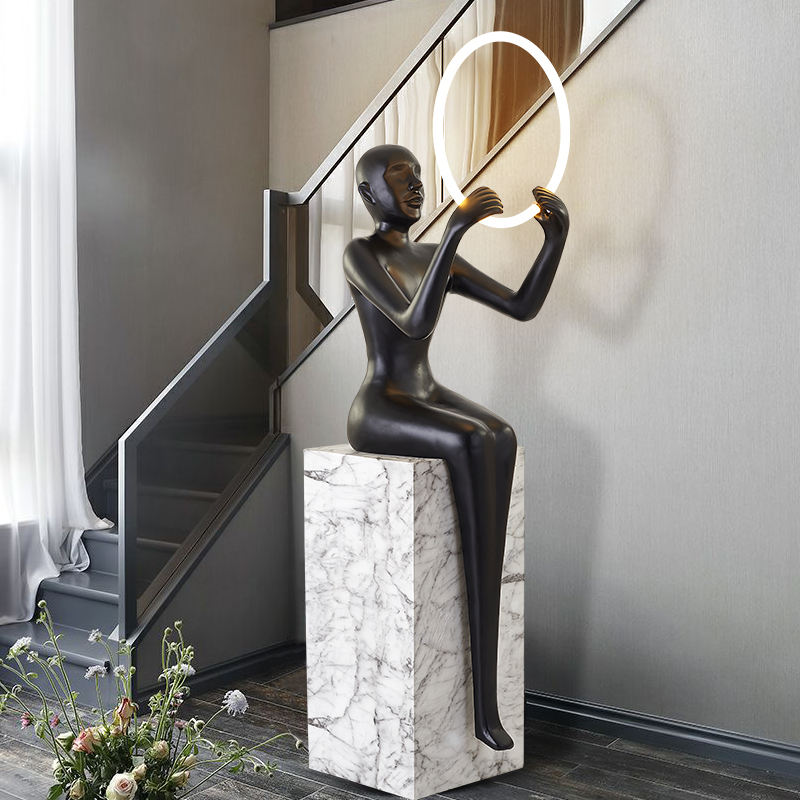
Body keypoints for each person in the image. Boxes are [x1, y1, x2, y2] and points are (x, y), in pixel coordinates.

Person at [344, 144, 569, 750]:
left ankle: (486, 583)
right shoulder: (360, 254)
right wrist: (454, 234)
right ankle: (482, 711)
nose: (415, 185)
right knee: (472, 438)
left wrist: (554, 242)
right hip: (381, 405)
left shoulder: (428, 254)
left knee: (502, 434)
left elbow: (521, 306)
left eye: (419, 175)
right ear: (369, 195)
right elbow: (411, 322)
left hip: (425, 392)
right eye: (400, 177)